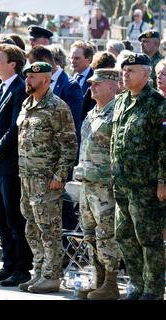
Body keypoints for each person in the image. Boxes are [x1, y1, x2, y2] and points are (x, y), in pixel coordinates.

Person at [17, 62, 77, 293]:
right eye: (27, 77)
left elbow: (69, 145)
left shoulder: (57, 107)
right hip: (27, 177)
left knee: (49, 229)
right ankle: (39, 271)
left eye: (32, 77)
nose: (28, 81)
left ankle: (52, 276)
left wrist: (60, 176)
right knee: (31, 228)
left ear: (45, 79)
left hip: (47, 180)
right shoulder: (27, 104)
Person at [112, 53, 166, 300]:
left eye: (131, 70)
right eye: (124, 70)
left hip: (146, 186)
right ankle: (136, 284)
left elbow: (164, 146)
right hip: (122, 184)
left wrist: (163, 181)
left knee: (149, 239)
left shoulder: (157, 103)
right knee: (124, 235)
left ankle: (153, 290)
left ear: (146, 74)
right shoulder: (121, 100)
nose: (125, 74)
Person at [0, 44, 33, 287]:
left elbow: (15, 127)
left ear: (13, 64)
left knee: (14, 218)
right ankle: (8, 264)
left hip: (9, 163)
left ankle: (22, 267)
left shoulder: (19, 89)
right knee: (0, 217)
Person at [73, 69, 122, 300]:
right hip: (87, 184)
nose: (92, 87)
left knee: (106, 234)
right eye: (91, 83)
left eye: (97, 84)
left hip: (105, 186)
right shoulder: (93, 112)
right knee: (90, 234)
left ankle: (111, 284)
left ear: (112, 86)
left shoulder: (117, 112)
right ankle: (98, 280)